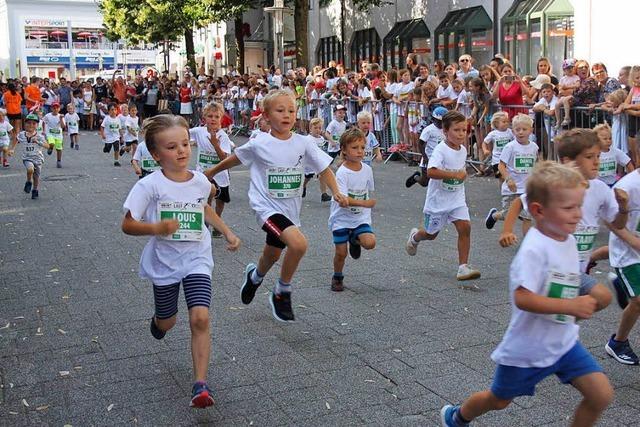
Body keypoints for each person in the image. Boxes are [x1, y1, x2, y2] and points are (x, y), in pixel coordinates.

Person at [441, 161, 613, 427]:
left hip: (563, 343)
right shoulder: (534, 249)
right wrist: (571, 307)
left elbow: (566, 278)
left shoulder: (566, 238)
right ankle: (456, 416)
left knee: (600, 395)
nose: (578, 214)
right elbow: (522, 298)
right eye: (569, 208)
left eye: (580, 206)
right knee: (498, 400)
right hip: (528, 349)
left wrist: (588, 295)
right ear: (538, 211)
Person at [121, 114, 240, 408]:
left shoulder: (200, 180)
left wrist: (226, 231)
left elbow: (203, 209)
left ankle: (200, 384)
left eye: (185, 144)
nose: (182, 151)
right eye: (172, 147)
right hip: (165, 264)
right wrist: (155, 228)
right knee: (168, 321)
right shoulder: (149, 186)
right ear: (156, 154)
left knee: (200, 317)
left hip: (197, 260)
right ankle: (159, 323)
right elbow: (127, 224)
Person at [203, 89, 347, 322]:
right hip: (265, 209)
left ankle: (255, 277)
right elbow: (236, 157)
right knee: (298, 244)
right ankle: (282, 292)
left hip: (290, 212)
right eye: (280, 110)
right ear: (267, 117)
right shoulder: (260, 142)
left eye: (291, 110)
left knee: (271, 255)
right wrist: (211, 171)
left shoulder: (303, 143)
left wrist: (337, 191)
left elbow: (324, 169)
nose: (287, 115)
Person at [405, 110, 481, 282]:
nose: (461, 133)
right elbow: (431, 172)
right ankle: (415, 237)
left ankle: (463, 267)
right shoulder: (440, 149)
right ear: (445, 131)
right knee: (431, 234)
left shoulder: (462, 150)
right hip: (438, 201)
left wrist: (461, 174)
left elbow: (459, 170)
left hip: (456, 199)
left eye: (464, 130)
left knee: (465, 227)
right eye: (457, 130)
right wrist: (454, 175)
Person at [328, 128, 376, 292]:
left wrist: (367, 202)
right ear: (344, 150)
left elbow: (368, 191)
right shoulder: (342, 172)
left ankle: (355, 239)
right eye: (355, 148)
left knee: (370, 243)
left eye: (362, 147)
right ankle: (337, 277)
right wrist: (365, 203)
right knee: (341, 253)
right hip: (341, 219)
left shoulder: (367, 170)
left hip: (360, 218)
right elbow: (343, 201)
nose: (360, 151)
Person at [485, 114, 538, 233]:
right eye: (517, 129)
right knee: (508, 215)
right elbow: (501, 165)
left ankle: (526, 245)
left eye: (524, 129)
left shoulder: (534, 147)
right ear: (513, 131)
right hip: (511, 189)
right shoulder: (510, 147)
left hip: (526, 189)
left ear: (531, 130)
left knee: (527, 217)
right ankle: (494, 216)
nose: (520, 132)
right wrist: (508, 179)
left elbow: (535, 165)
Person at [190, 102, 232, 236]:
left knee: (220, 201)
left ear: (221, 118)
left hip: (221, 176)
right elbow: (183, 133)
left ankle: (217, 223)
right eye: (210, 116)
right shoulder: (198, 131)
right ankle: (205, 222)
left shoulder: (223, 136)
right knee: (205, 198)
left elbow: (224, 159)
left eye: (216, 116)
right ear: (204, 118)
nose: (213, 119)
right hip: (203, 174)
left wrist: (215, 145)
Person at [8, 114, 49, 199]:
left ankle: (35, 190)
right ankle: (28, 181)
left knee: (36, 177)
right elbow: (16, 140)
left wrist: (38, 142)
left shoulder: (40, 136)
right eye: (29, 123)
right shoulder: (22, 134)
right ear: (25, 124)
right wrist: (12, 149)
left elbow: (47, 146)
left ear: (37, 125)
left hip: (38, 159)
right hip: (27, 158)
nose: (31, 125)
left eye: (34, 123)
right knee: (30, 169)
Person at [405, 106, 447, 189]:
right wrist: (424, 157)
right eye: (439, 121)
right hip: (429, 158)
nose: (441, 124)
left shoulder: (446, 129)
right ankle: (416, 177)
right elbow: (420, 144)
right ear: (434, 119)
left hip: (441, 159)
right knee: (425, 183)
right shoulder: (429, 130)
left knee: (441, 181)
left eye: (443, 122)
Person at [481, 111, 514, 186]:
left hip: (508, 159)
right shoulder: (493, 134)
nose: (506, 123)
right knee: (501, 177)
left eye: (507, 121)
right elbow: (484, 142)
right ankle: (502, 191)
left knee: (509, 176)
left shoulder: (510, 132)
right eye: (503, 122)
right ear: (496, 123)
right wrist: (485, 150)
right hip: (497, 159)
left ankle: (508, 191)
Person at [302, 117, 329, 198]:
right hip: (309, 163)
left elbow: (323, 150)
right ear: (310, 128)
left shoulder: (321, 139)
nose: (318, 130)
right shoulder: (307, 139)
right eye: (315, 128)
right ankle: (303, 187)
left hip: (319, 162)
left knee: (322, 176)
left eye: (320, 128)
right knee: (308, 177)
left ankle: (324, 194)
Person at [100, 103, 123, 167]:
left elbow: (120, 128)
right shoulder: (107, 118)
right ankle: (106, 147)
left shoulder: (118, 119)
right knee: (107, 149)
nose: (113, 111)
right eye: (112, 110)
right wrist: (103, 134)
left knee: (116, 149)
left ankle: (116, 161)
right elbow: (102, 127)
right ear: (109, 111)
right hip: (108, 137)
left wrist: (122, 137)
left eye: (115, 110)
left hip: (116, 137)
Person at [43, 102, 65, 168]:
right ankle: (51, 148)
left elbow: (63, 126)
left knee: (59, 148)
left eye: (57, 108)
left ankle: (59, 161)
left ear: (59, 109)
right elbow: (44, 122)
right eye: (54, 108)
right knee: (52, 143)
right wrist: (44, 130)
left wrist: (61, 119)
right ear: (51, 108)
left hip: (58, 135)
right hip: (50, 133)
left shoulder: (61, 116)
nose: (55, 109)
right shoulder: (47, 116)